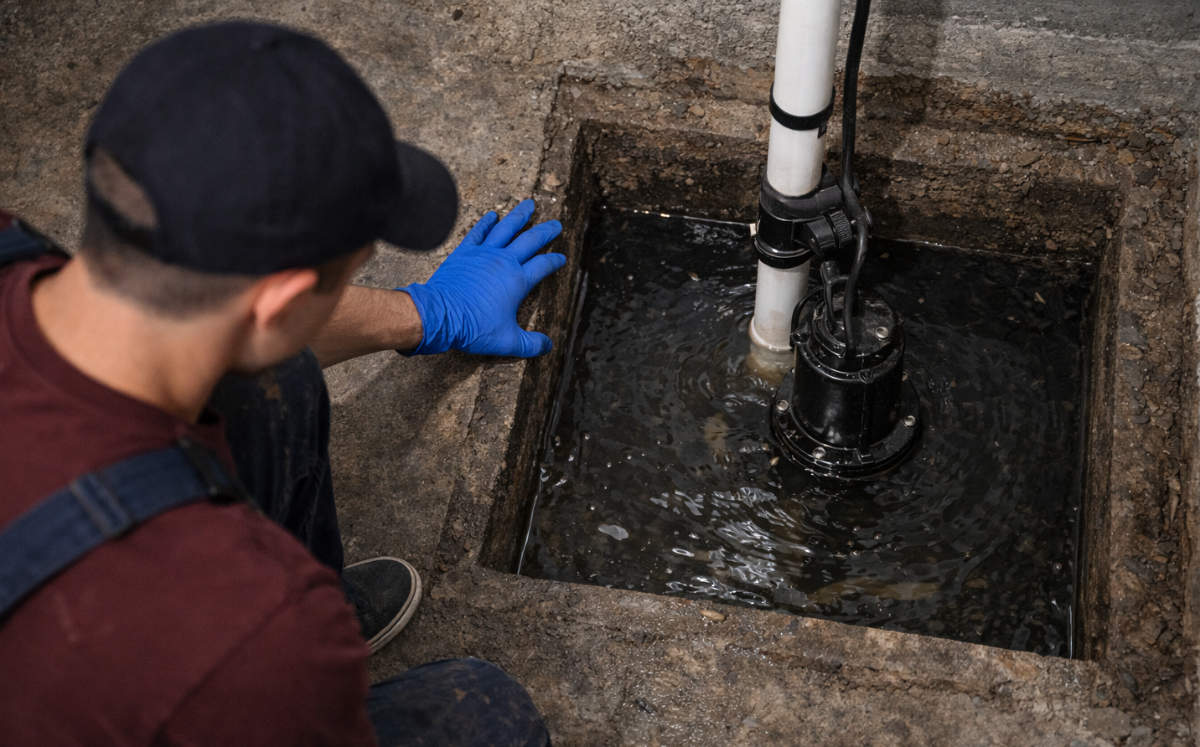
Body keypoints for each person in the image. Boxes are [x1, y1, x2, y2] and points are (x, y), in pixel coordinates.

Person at [0, 20, 563, 746]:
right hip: (178, 668)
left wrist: (428, 313)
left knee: (275, 381)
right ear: (279, 297)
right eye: (353, 268)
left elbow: (233, 326)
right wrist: (278, 657)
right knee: (487, 715)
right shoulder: (245, 636)